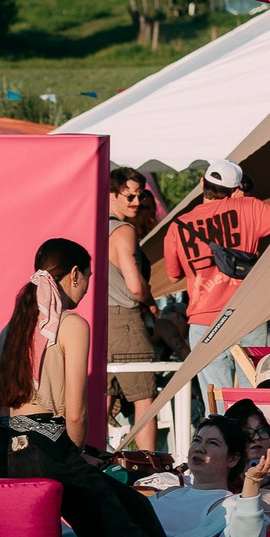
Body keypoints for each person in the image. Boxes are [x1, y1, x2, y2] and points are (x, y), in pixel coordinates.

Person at [0, 238, 204, 537]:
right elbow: (76, 411)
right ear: (75, 275)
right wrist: (77, 454)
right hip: (51, 445)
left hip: (10, 448)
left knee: (127, 507)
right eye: (89, 277)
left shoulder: (14, 326)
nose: (87, 285)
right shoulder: (70, 324)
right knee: (121, 523)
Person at [164, 158, 270, 397]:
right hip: (247, 314)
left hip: (203, 321)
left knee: (217, 398)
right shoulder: (250, 207)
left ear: (202, 183)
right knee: (261, 394)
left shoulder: (177, 226)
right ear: (236, 190)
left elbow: (172, 276)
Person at [105, 167, 162, 452]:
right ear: (111, 193)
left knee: (103, 395)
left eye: (140, 195)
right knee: (145, 397)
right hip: (125, 320)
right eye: (130, 196)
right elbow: (135, 286)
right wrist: (149, 298)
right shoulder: (123, 231)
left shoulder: (91, 226)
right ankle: (148, 464)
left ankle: (87, 461)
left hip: (97, 321)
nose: (137, 202)